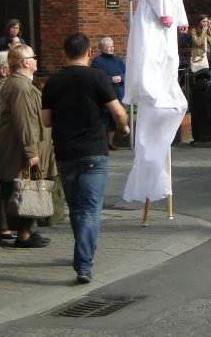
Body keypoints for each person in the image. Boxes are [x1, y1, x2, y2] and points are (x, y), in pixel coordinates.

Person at [41, 32, 129, 284]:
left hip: (65, 152)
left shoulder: (53, 81)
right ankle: (84, 263)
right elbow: (118, 112)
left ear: (64, 53)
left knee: (77, 208)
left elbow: (45, 121)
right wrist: (123, 127)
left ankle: (83, 253)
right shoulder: (98, 77)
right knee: (91, 209)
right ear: (89, 53)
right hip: (93, 151)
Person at [122, 0, 192, 207]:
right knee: (157, 55)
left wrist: (182, 18)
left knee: (169, 57)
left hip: (167, 22)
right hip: (156, 22)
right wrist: (166, 14)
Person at [0, 44, 55, 249]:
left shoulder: (21, 84)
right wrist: (31, 151)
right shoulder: (20, 87)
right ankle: (23, 234)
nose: (37, 60)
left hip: (23, 148)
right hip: (20, 150)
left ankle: (27, 231)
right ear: (25, 62)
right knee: (24, 189)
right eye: (34, 57)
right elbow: (25, 120)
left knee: (25, 188)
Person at [90, 37, 126, 151]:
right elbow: (96, 77)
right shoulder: (97, 61)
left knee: (113, 121)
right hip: (104, 95)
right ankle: (102, 143)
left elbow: (126, 73)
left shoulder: (118, 61)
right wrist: (110, 79)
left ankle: (110, 142)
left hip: (118, 93)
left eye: (112, 46)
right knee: (103, 119)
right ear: (101, 48)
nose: (111, 49)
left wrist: (121, 77)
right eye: (108, 47)